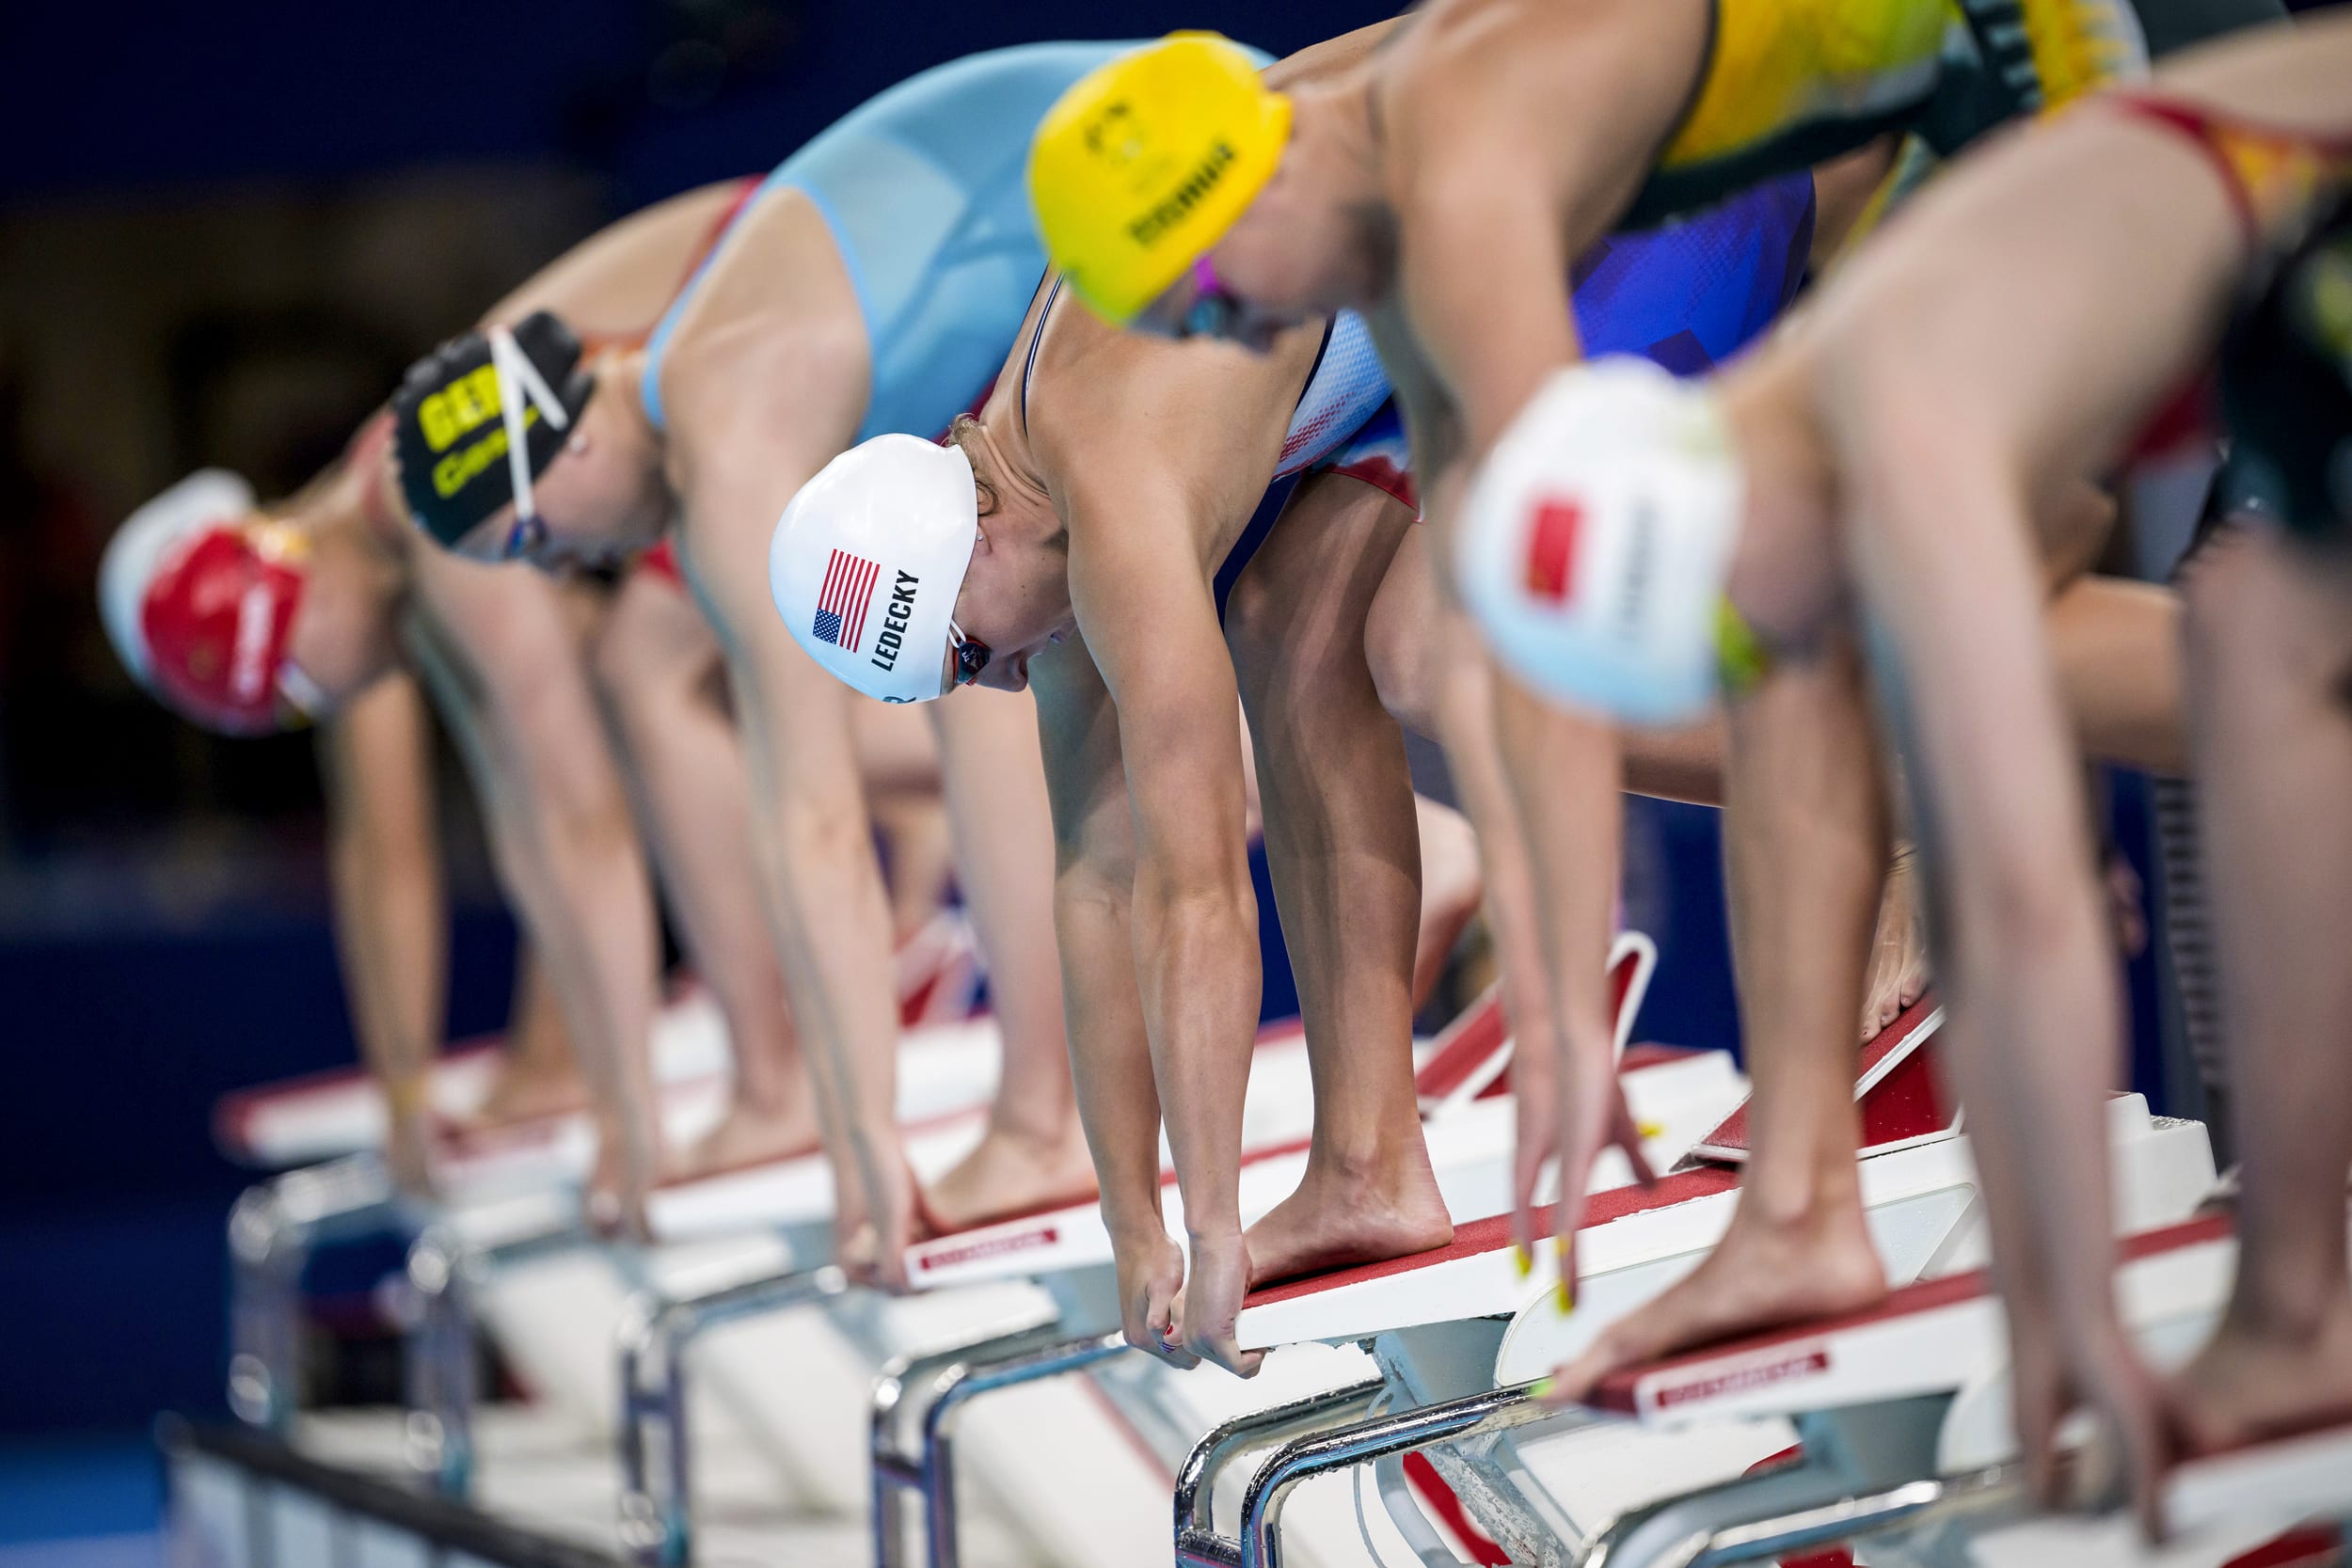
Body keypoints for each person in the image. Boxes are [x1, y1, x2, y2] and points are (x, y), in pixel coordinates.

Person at [769, 18, 1835, 1370]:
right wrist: (1132, 1228)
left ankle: (1886, 783)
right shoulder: (1015, 495)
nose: (998, 684)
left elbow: (1198, 886)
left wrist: (1211, 1229)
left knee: (1435, 652)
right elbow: (1096, 884)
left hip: (1654, 181)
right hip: (1464, 244)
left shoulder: (1115, 486)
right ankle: (1369, 1165)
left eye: (970, 658)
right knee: (1284, 619)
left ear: (975, 536)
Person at [1461, 13, 2351, 1525]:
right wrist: (2050, 1317)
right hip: (2263, 242)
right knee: (2261, 639)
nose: (1767, 659)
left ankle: (2298, 1308)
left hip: (2290, 175)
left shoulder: (1907, 418)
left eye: (1735, 635)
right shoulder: (1809, 450)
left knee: (2263, 649)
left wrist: (2069, 1333)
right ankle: (2296, 1279)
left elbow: (2027, 915)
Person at [393, 45, 1155, 1276]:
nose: (552, 571)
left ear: (568, 453)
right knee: (982, 649)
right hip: (1108, 170)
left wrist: (865, 1162)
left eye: (533, 541)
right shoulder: (706, 368)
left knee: (990, 658)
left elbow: (812, 828)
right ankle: (1042, 1103)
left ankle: (1042, 1120)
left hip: (1161, 174)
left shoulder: (726, 442)